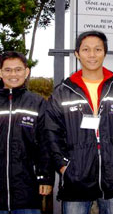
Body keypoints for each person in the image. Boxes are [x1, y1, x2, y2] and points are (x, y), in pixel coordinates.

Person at [45, 30, 113, 214]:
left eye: (98, 49)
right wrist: (65, 166)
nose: (92, 54)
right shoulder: (62, 92)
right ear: (77, 53)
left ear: (105, 52)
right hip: (76, 180)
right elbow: (51, 133)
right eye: (86, 49)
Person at [0, 51, 54, 214]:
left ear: (26, 71)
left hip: (27, 192)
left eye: (18, 69)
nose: (13, 74)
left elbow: (46, 143)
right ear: (0, 72)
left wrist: (46, 177)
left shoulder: (37, 103)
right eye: (8, 70)